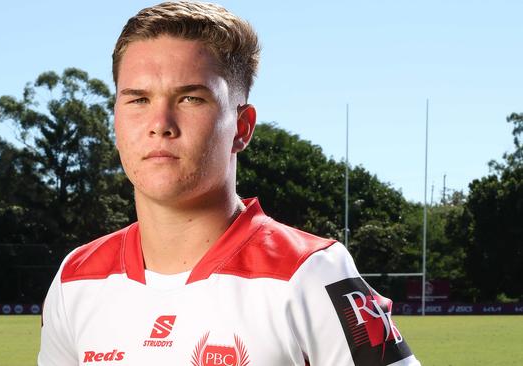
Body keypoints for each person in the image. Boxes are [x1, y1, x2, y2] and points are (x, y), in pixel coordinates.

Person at [38, 1, 421, 365]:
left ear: (241, 127)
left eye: (190, 98)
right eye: (138, 100)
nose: (160, 124)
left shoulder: (312, 274)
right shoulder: (76, 280)